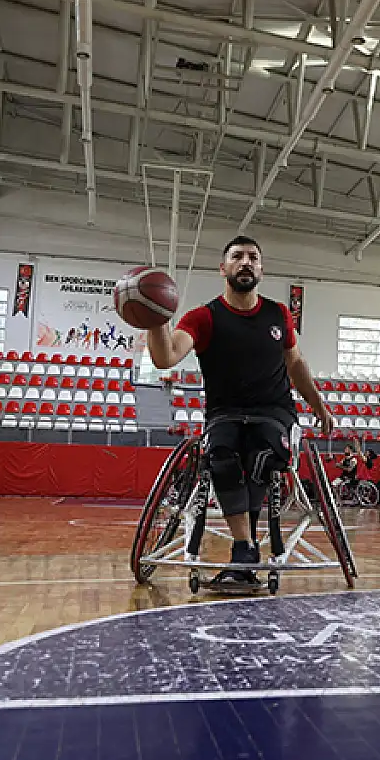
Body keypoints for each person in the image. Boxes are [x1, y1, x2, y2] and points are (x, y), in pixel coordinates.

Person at [146, 235, 333, 586]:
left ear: (261, 269)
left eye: (252, 257)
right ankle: (244, 548)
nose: (245, 262)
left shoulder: (278, 314)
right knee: (222, 453)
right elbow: (165, 357)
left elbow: (296, 364)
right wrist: (157, 318)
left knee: (262, 451)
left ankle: (244, 551)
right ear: (223, 268)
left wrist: (319, 406)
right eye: (237, 256)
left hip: (274, 413)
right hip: (225, 414)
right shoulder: (203, 317)